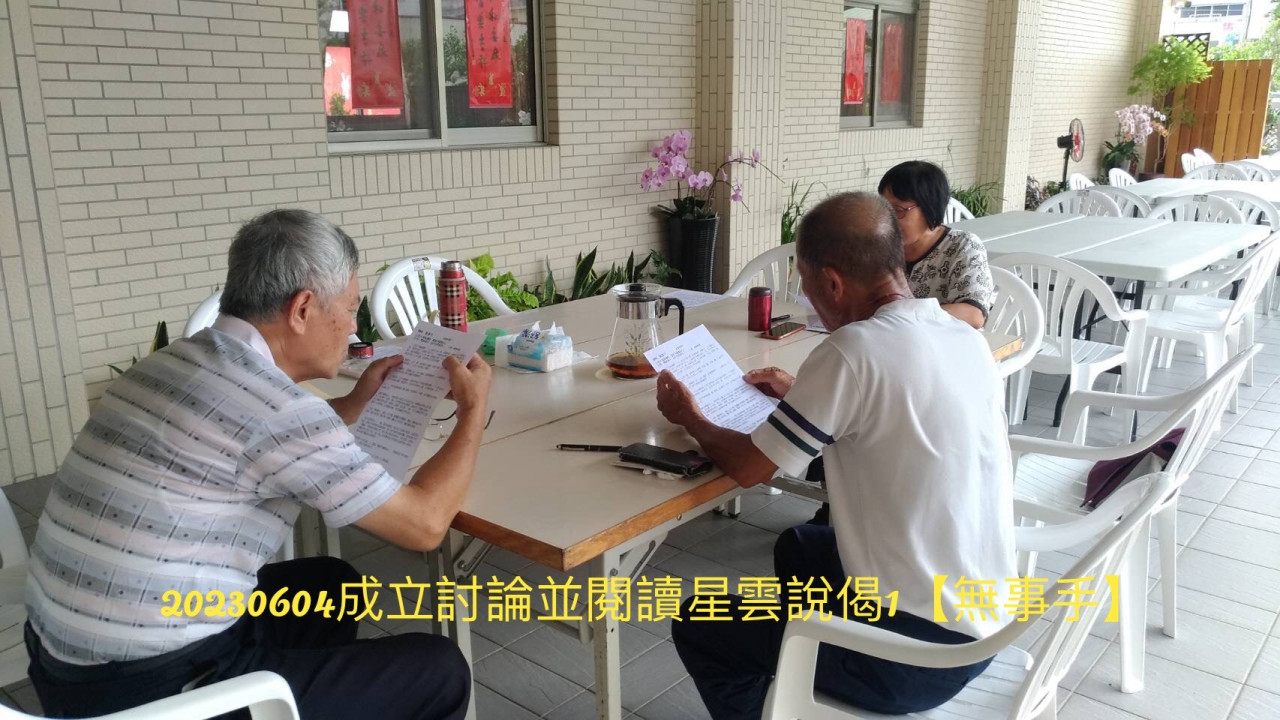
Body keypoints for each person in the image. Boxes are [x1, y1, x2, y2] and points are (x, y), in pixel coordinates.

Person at [24, 209, 491, 719]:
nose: (354, 328)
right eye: (350, 308)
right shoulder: (280, 412)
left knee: (331, 585)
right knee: (441, 670)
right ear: (302, 309)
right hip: (151, 691)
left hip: (65, 662)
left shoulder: (174, 361)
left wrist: (352, 405)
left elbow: (248, 440)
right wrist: (472, 411)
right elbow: (424, 525)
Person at [655, 192, 1015, 720]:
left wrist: (691, 418)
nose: (807, 299)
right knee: (801, 546)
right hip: (986, 622)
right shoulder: (961, 336)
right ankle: (802, 683)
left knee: (700, 621)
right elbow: (892, 408)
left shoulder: (852, 351)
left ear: (831, 282)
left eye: (804, 284)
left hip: (915, 657)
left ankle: (809, 678)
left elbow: (751, 469)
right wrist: (805, 396)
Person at [879, 160, 993, 330]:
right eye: (883, 208)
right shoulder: (878, 246)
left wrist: (904, 316)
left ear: (929, 206)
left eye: (898, 210)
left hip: (948, 341)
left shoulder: (961, 246)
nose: (888, 219)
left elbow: (973, 314)